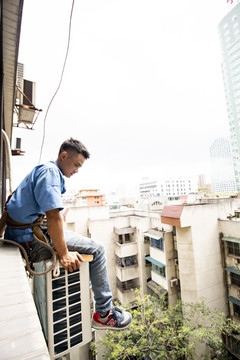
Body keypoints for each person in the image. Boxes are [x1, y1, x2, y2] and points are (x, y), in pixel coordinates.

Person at [3, 138, 132, 330]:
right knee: (97, 249)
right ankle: (104, 314)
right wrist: (63, 254)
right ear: (64, 155)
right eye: (76, 164)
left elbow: (10, 207)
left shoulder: (42, 170)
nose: (77, 170)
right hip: (29, 242)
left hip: (22, 234)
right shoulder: (50, 173)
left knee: (72, 236)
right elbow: (53, 215)